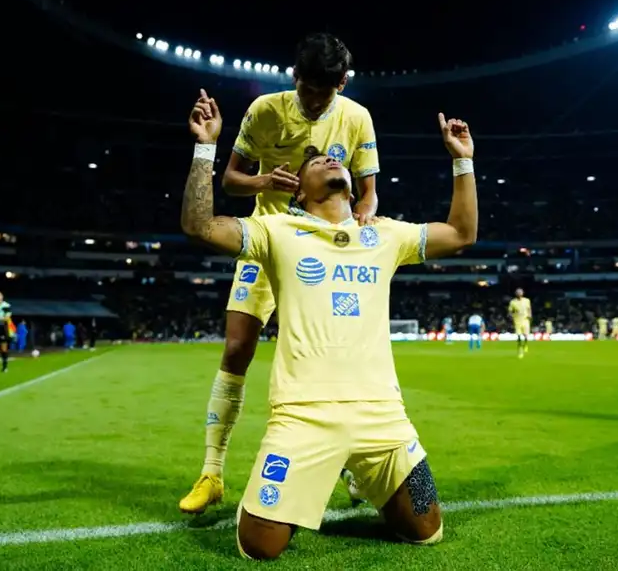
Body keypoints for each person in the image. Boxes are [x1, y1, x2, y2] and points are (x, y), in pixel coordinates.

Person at [181, 90, 477, 559]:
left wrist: (463, 162)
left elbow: (461, 233)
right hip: (303, 418)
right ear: (298, 191)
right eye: (314, 164)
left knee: (426, 532)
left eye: (332, 161)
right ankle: (284, 477)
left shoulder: (384, 233)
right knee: (259, 548)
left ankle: (357, 473)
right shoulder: (276, 233)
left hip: (384, 419)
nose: (326, 160)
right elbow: (199, 226)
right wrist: (204, 147)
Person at [180, 33, 382, 514]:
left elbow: (369, 192)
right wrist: (264, 181)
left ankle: (354, 469)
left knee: (334, 359)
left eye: (324, 92)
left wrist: (363, 222)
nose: (314, 101)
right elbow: (230, 180)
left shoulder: (356, 117)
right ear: (295, 79)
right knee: (236, 349)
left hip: (325, 249)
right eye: (307, 89)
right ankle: (212, 472)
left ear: (342, 83)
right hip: (269, 237)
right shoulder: (266, 110)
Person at [508, 288, 531, 358]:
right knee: (518, 335)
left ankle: (526, 344)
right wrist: (511, 315)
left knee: (526, 335)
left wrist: (530, 315)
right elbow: (510, 311)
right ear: (516, 294)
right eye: (517, 292)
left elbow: (529, 308)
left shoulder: (527, 300)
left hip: (525, 320)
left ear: (522, 293)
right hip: (517, 321)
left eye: (520, 292)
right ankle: (520, 349)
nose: (519, 294)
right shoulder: (513, 302)